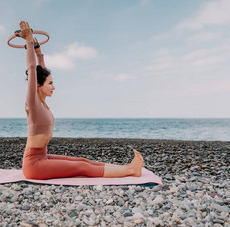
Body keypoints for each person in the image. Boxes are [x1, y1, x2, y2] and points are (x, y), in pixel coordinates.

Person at [18, 21, 144, 180]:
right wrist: (29, 41)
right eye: (50, 83)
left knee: (83, 160)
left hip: (42, 156)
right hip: (34, 165)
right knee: (82, 167)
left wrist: (38, 52)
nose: (54, 87)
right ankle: (131, 171)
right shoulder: (33, 104)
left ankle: (128, 167)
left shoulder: (43, 103)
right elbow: (32, 70)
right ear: (38, 84)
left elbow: (40, 70)